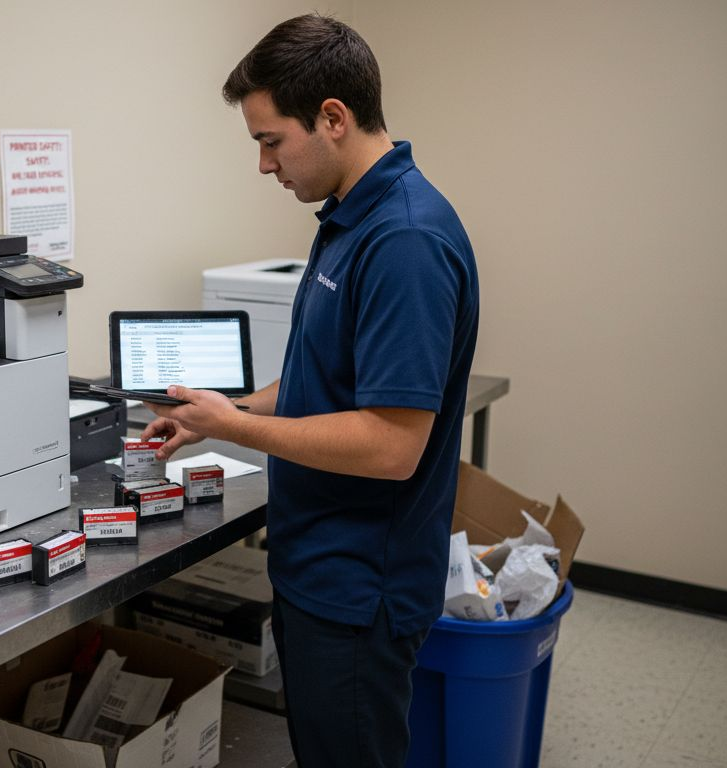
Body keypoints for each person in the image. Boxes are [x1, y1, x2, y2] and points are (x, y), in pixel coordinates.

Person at [140, 13, 479, 767]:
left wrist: (236, 428)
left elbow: (392, 446)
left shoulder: (406, 241)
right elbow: (322, 380)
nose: (265, 165)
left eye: (270, 141)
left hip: (360, 586)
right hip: (320, 567)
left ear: (332, 118)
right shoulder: (349, 219)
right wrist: (219, 412)